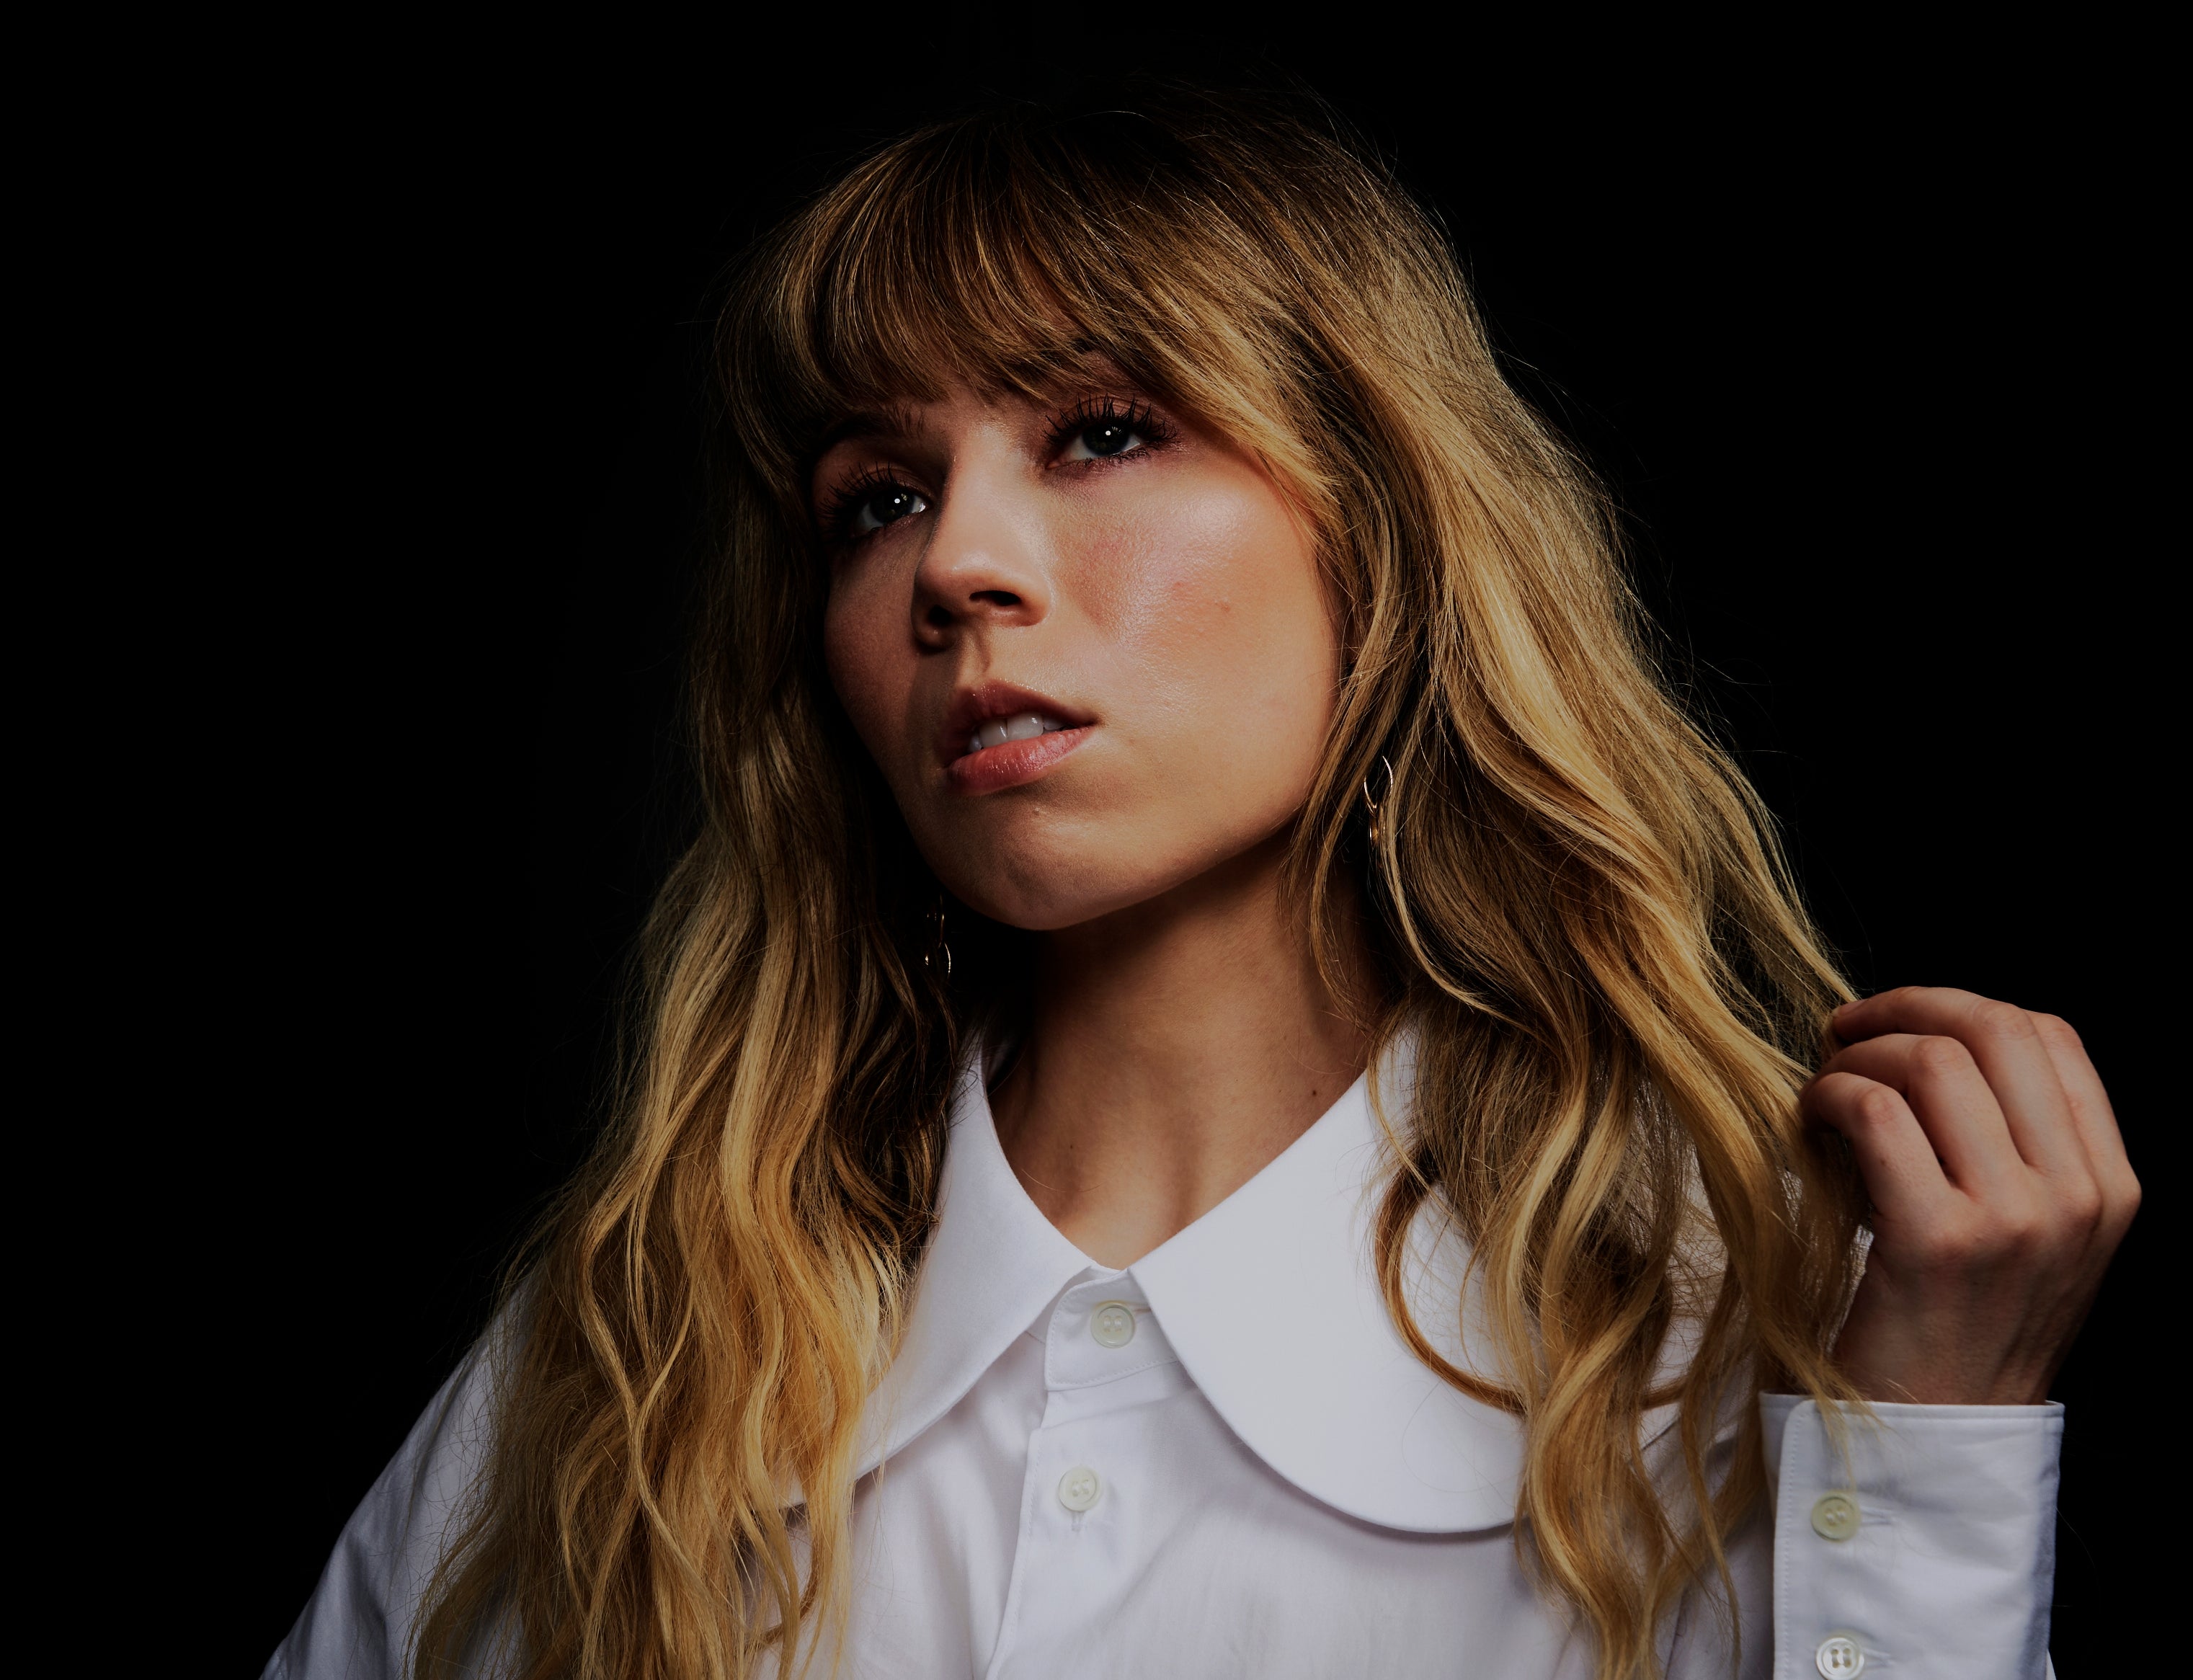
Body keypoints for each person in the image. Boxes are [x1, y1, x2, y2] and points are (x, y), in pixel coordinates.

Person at [268, 89, 2136, 1680]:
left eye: (1101, 432)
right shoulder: (634, 1345)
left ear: (1377, 530)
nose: (960, 564)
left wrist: (1928, 1470)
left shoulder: (1754, 1314)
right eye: (876, 498)